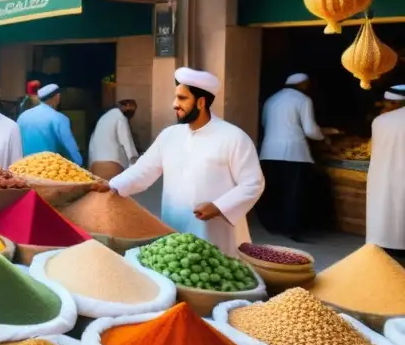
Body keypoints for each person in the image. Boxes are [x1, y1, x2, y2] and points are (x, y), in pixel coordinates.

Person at [94, 68, 264, 256]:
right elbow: (144, 170)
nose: (175, 104)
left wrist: (219, 207)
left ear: (201, 102)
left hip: (216, 232)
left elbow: (253, 183)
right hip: (175, 229)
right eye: (176, 97)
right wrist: (112, 186)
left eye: (182, 98)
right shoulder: (170, 135)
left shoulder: (233, 137)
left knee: (218, 276)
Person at [257, 73, 326, 241]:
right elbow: (310, 130)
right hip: (294, 153)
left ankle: (274, 226)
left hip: (269, 151)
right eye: (307, 84)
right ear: (302, 84)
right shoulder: (303, 100)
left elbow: (265, 123)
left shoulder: (271, 100)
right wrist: (323, 137)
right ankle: (292, 230)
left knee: (275, 190)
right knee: (293, 193)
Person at [366, 84, 405, 260]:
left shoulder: (379, 121)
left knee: (383, 212)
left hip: (382, 175)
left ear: (396, 103)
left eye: (388, 103)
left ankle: (382, 247)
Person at [17, 84, 83, 163]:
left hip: (24, 167)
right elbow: (69, 146)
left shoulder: (23, 116)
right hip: (48, 169)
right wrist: (79, 162)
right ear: (57, 97)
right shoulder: (59, 118)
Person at [88, 99, 139, 180]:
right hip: (112, 164)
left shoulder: (104, 118)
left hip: (95, 165)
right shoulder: (120, 118)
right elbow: (127, 141)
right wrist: (134, 160)